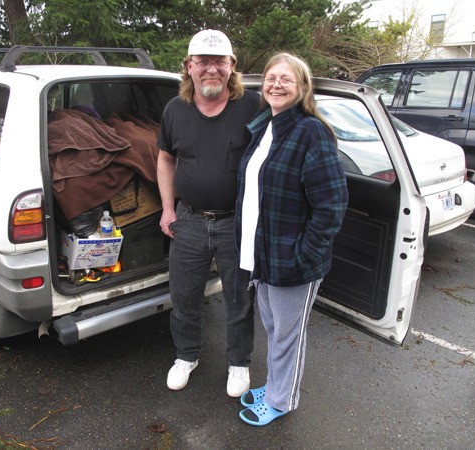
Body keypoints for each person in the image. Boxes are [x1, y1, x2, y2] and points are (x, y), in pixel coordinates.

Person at [235, 52, 348, 426]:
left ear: (302, 88)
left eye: (286, 79)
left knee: (288, 336)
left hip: (293, 261)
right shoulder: (267, 124)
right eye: (271, 77)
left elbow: (331, 205)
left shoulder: (310, 131)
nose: (276, 84)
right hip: (263, 255)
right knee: (273, 329)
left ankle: (283, 400)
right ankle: (275, 385)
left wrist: (304, 255)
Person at [156, 29, 260, 397]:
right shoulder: (174, 110)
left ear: (232, 67)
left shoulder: (253, 107)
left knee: (239, 299)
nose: (211, 69)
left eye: (219, 62)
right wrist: (168, 208)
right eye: (203, 61)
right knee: (184, 296)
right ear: (189, 67)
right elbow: (166, 158)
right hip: (190, 221)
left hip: (237, 223)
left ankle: (238, 363)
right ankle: (186, 356)